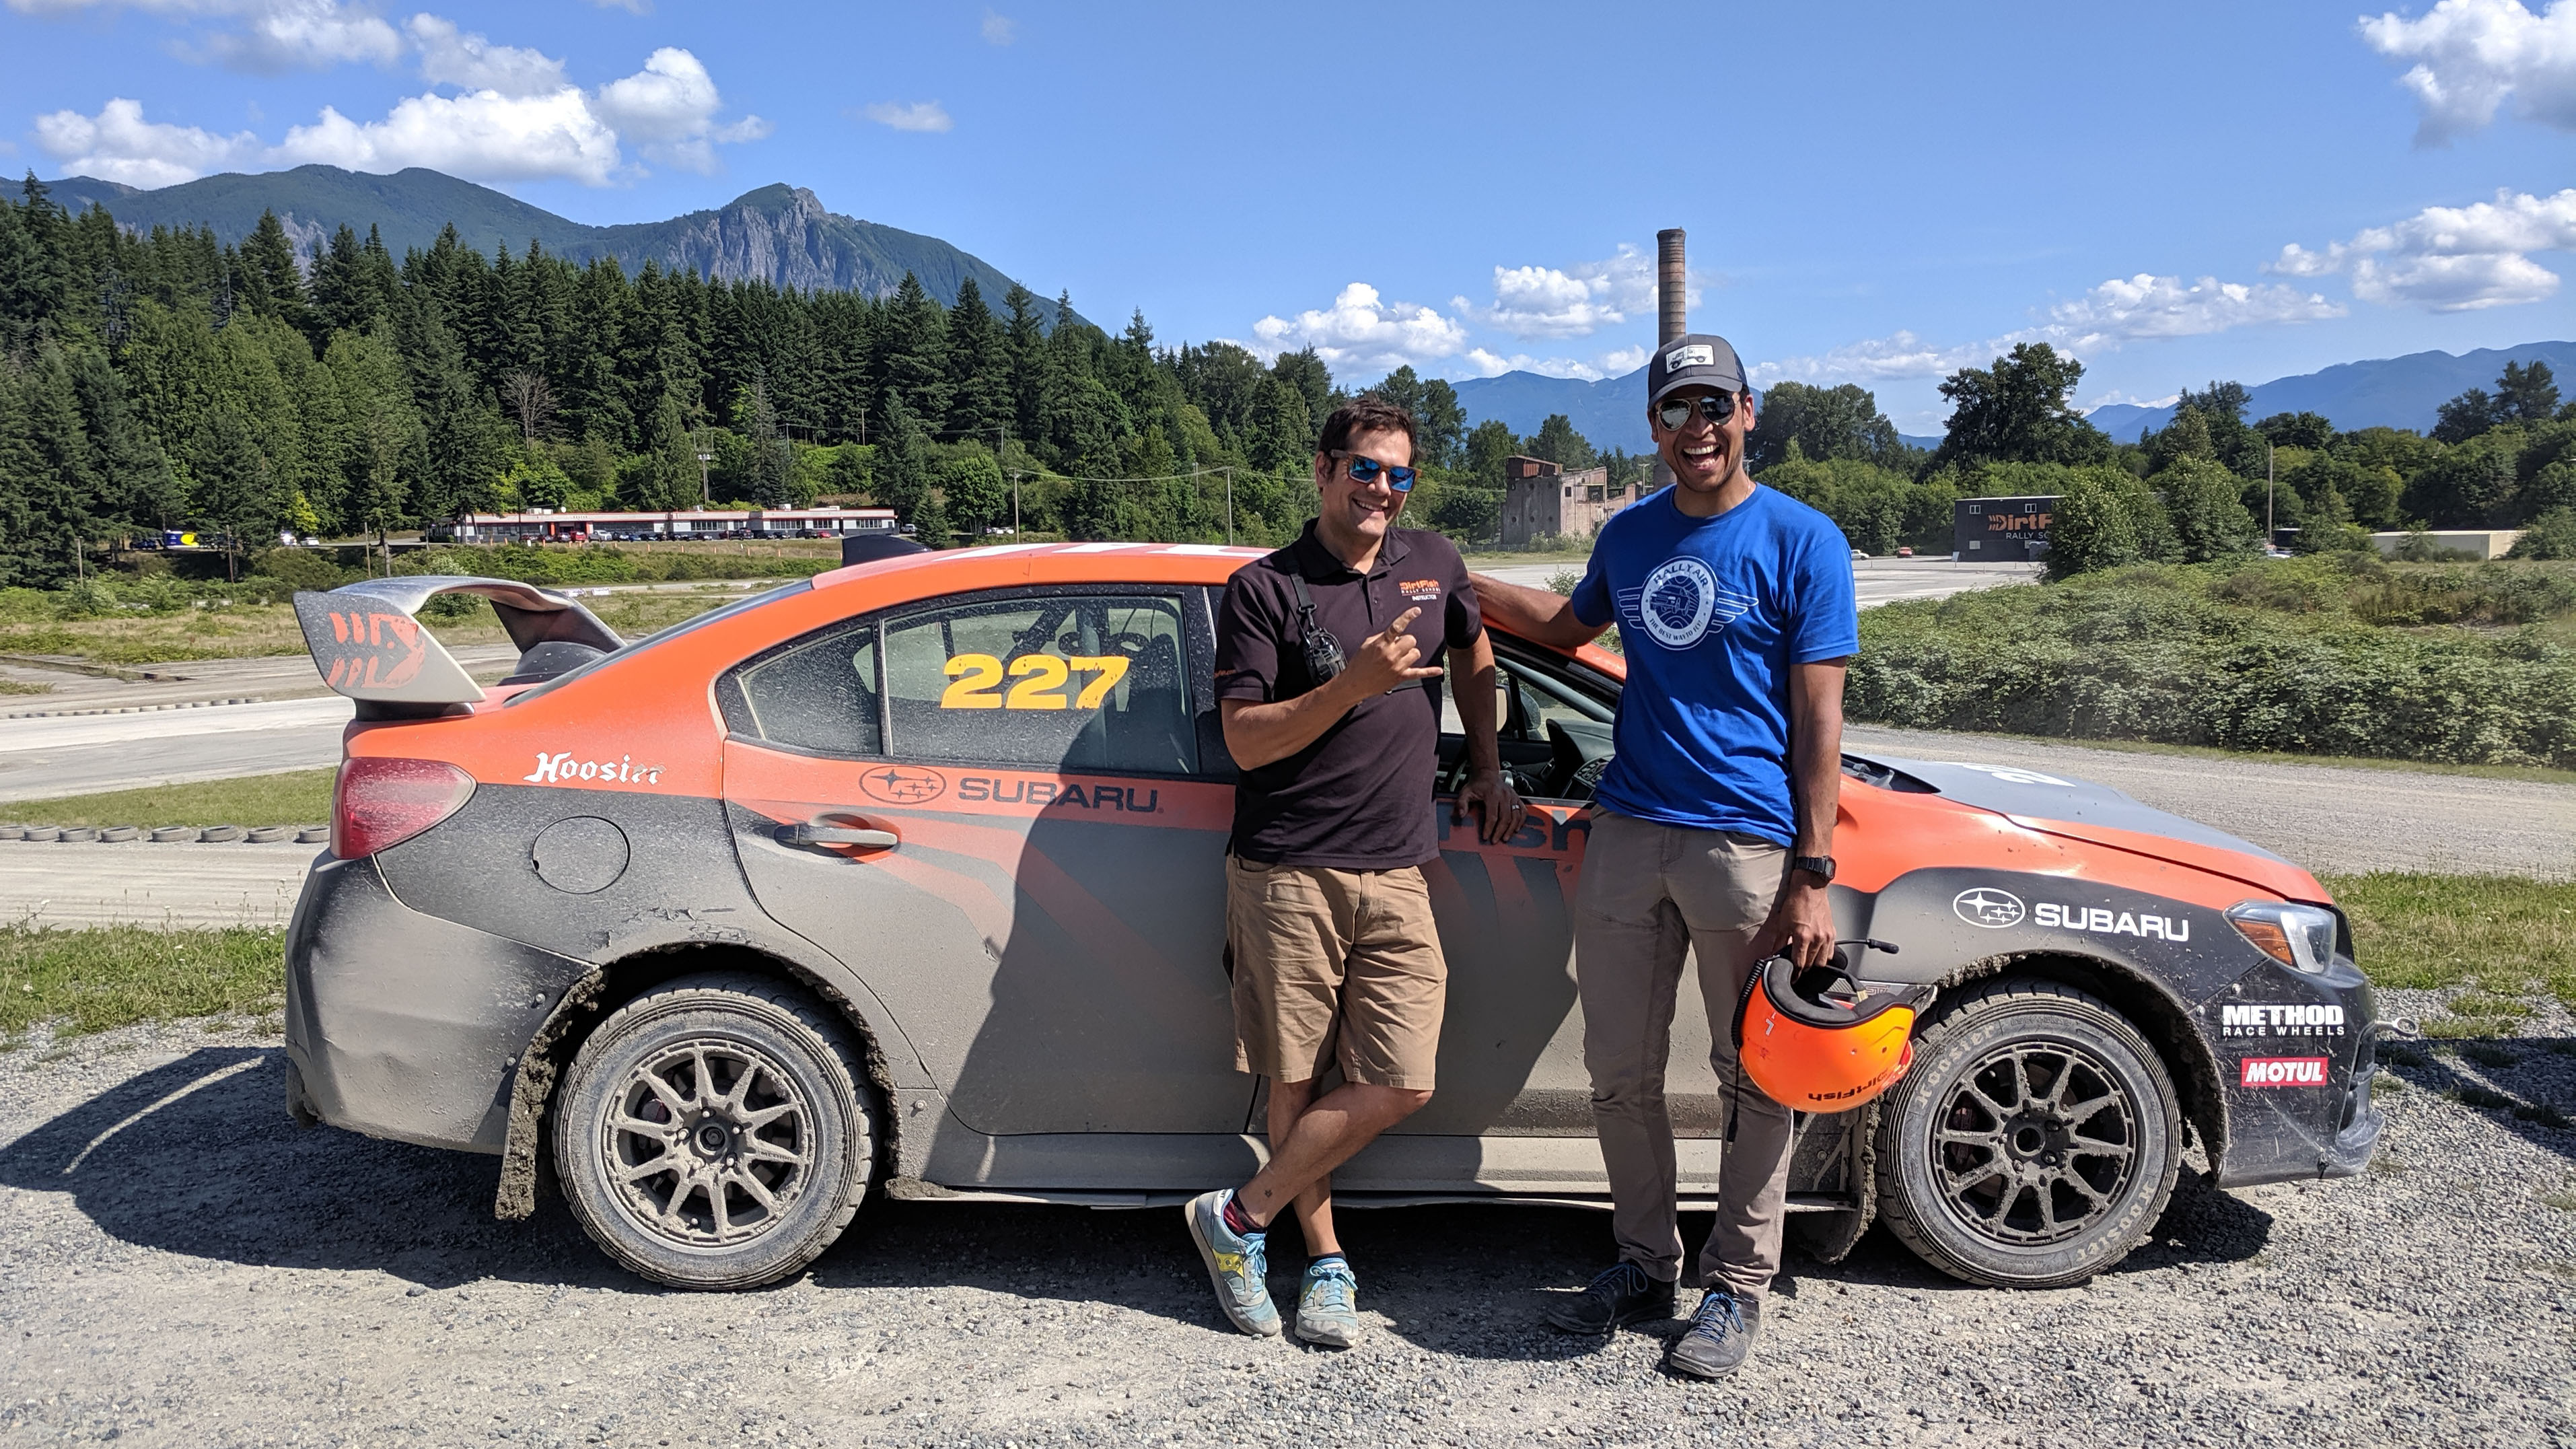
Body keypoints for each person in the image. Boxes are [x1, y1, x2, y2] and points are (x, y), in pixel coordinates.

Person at [1473, 334, 1857, 1379]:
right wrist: (1462, 584)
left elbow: (1820, 720)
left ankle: (1736, 1284)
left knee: (1753, 1074)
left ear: (1748, 411)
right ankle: (1645, 1260)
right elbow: (1568, 626)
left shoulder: (1804, 540)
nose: (1698, 427)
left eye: (1714, 405)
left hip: (1746, 840)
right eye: (1677, 409)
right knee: (1618, 1073)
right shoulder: (1633, 533)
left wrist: (1812, 873)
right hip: (1630, 832)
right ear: (1653, 426)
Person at [1184, 396, 1524, 1347]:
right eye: (1365, 468)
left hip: (1401, 863)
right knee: (1296, 1074)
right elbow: (1246, 741)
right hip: (1287, 866)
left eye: (1398, 473)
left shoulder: (1435, 563)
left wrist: (1487, 765)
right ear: (1325, 469)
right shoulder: (1264, 588)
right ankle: (1326, 1262)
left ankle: (1238, 1217)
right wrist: (1352, 685)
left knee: (1404, 1077)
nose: (1382, 488)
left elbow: (1477, 651)